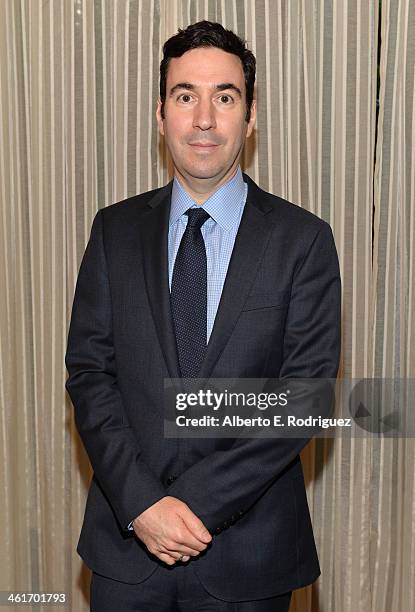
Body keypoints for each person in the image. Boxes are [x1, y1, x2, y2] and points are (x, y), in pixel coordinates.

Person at [65, 20, 341, 612]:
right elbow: (91, 374)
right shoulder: (113, 231)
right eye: (185, 95)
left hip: (252, 560)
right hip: (126, 552)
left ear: (251, 114)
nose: (205, 118)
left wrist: (188, 506)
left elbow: (305, 397)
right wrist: (143, 505)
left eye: (225, 96)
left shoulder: (304, 240)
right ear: (161, 114)